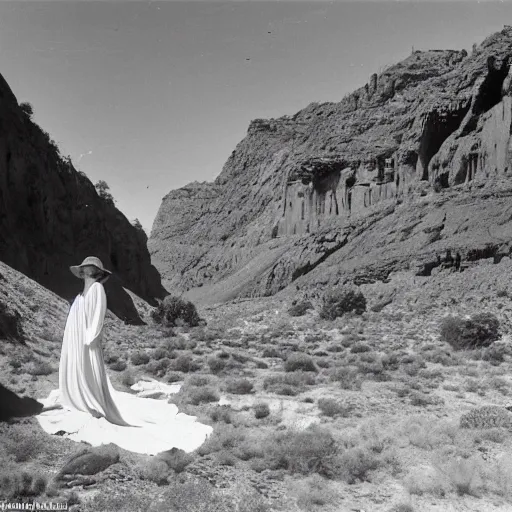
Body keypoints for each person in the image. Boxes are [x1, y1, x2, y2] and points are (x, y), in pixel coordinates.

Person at [58, 256, 135, 426]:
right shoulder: (80, 295)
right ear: (82, 270)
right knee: (78, 366)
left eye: (91, 268)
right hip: (77, 338)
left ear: (97, 272)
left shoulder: (97, 289)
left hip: (87, 339)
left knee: (90, 367)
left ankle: (92, 401)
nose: (87, 270)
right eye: (85, 267)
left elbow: (99, 313)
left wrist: (91, 336)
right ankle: (78, 396)